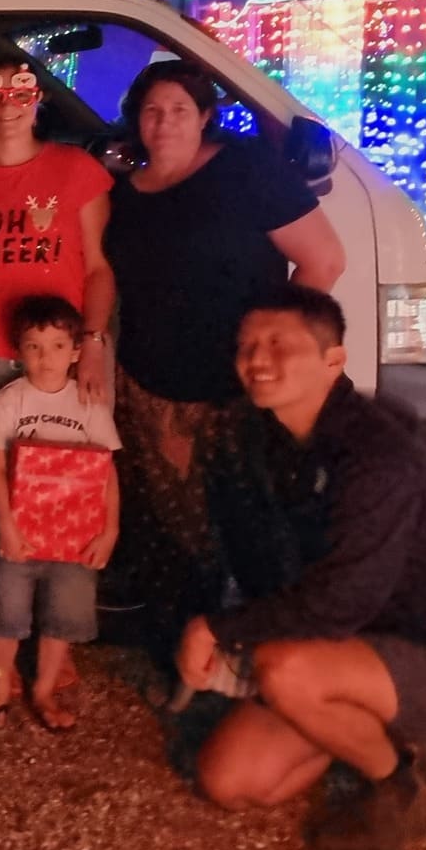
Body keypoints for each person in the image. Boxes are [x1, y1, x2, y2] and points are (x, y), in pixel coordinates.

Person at [186, 285, 426, 850]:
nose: (257, 360)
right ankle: (372, 725)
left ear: (333, 360)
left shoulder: (375, 459)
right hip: (346, 647)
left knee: (284, 670)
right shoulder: (276, 438)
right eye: (246, 346)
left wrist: (219, 629)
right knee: (230, 781)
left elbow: (342, 601)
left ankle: (397, 788)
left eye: (279, 345)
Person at [102, 60, 344, 630]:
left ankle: (277, 654)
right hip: (153, 392)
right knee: (173, 539)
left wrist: (278, 353)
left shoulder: (247, 169)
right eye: (152, 111)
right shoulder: (123, 195)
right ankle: (188, 648)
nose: (165, 122)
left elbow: (324, 260)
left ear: (206, 116)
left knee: (260, 532)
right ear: (136, 119)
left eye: (179, 110)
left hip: (239, 391)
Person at [0, 52, 115, 491]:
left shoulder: (76, 169)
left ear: (38, 99)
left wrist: (91, 344)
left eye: (20, 94)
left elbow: (97, 268)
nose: (8, 107)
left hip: (64, 350)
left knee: (64, 482)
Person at [0, 295, 121, 733]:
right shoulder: (9, 400)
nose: (46, 357)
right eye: (34, 347)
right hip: (16, 532)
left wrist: (109, 530)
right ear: (19, 351)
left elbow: (107, 470)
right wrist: (5, 525)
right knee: (6, 616)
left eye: (58, 346)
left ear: (76, 352)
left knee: (62, 617)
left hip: (75, 537)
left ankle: (43, 691)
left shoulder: (89, 402)